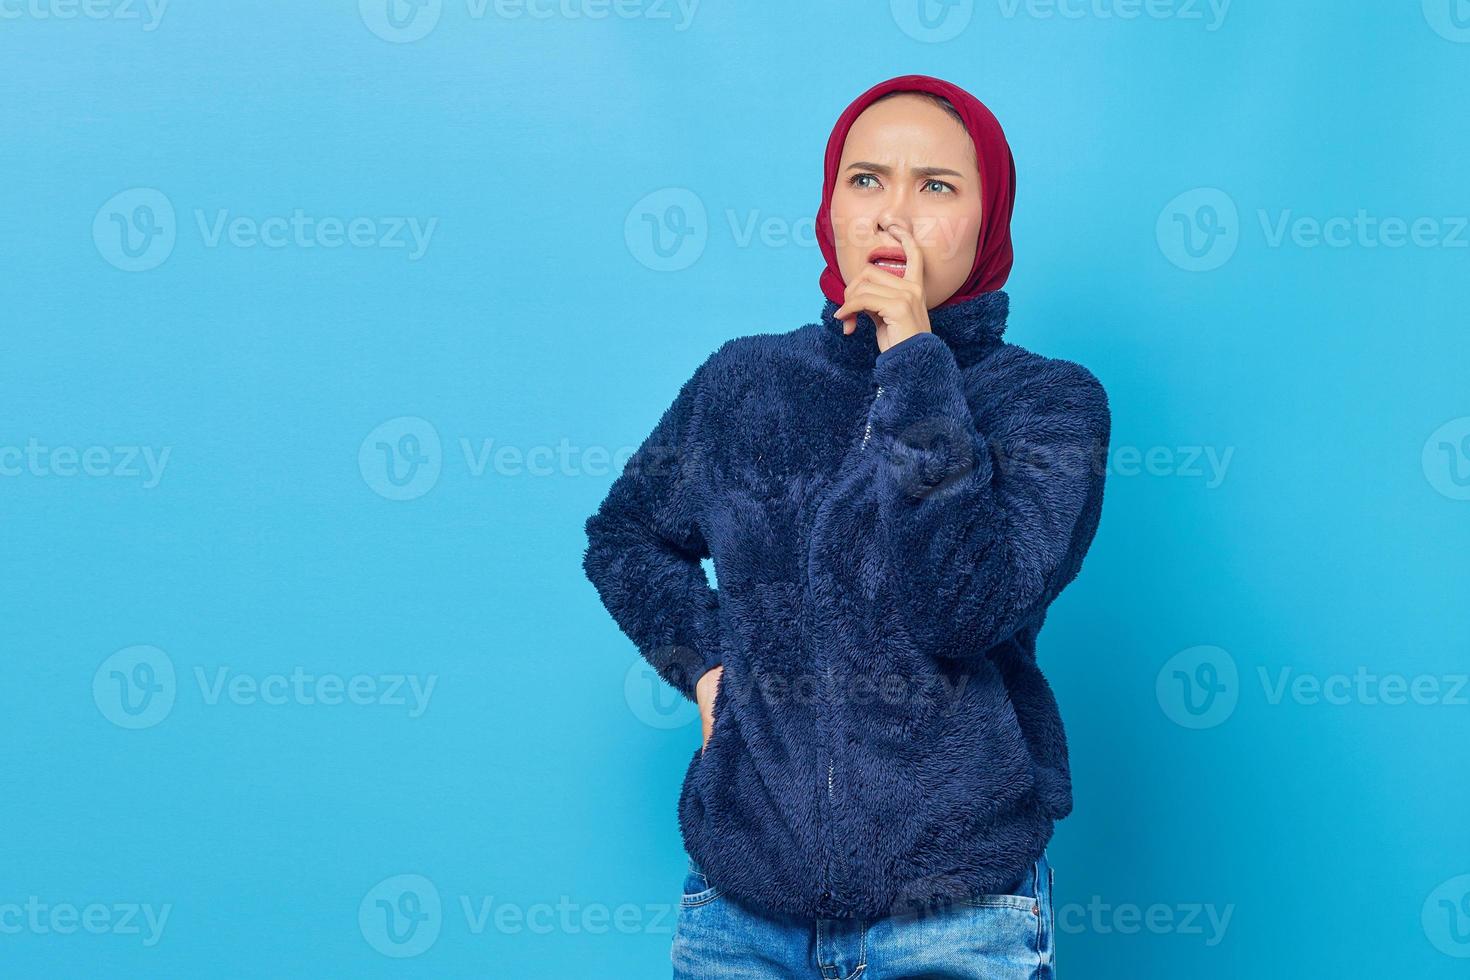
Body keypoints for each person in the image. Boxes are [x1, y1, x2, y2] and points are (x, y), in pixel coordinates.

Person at [581, 73, 1110, 978]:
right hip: (742, 912)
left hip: (958, 918)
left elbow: (966, 607)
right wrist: (705, 666)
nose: (892, 215)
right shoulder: (746, 383)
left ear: (989, 221)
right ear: (829, 208)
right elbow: (625, 538)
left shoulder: (1048, 404)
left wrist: (914, 360)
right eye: (866, 180)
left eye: (936, 186)